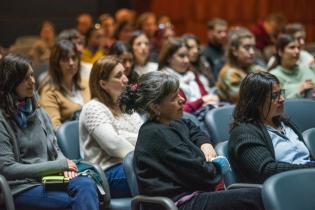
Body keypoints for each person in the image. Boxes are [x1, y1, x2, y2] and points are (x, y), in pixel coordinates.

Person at [118, 71, 264, 210]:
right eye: (174, 97)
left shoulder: (173, 121)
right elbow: (206, 176)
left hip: (195, 194)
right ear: (155, 107)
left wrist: (205, 144)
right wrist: (216, 166)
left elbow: (192, 128)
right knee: (258, 196)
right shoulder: (155, 134)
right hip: (179, 203)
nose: (183, 100)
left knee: (260, 193)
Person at [0, 53, 99, 210]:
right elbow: (7, 168)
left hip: (51, 177)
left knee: (86, 184)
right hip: (22, 186)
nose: (32, 81)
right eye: (25, 78)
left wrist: (64, 167)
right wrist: (58, 166)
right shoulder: (2, 119)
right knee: (72, 202)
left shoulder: (37, 110)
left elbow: (55, 147)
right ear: (11, 81)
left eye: (32, 75)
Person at [228, 72, 315, 184]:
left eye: (281, 93)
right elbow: (266, 170)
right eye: (275, 96)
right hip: (286, 187)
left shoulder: (285, 123)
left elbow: (307, 157)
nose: (282, 99)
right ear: (256, 101)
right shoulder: (244, 132)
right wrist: (310, 167)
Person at [79, 56, 143, 198]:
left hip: (132, 165)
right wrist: (149, 152)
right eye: (118, 76)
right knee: (164, 172)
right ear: (103, 84)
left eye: (124, 73)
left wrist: (122, 135)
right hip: (108, 173)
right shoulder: (93, 108)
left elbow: (145, 134)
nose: (126, 79)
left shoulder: (125, 106)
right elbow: (114, 145)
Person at [159, 38, 219, 116]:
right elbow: (178, 110)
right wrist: (201, 101)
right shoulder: (164, 80)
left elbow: (207, 97)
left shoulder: (191, 74)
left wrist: (205, 101)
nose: (187, 60)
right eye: (181, 56)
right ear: (168, 58)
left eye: (187, 56)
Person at [39, 39, 90, 129]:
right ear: (56, 64)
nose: (71, 63)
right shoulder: (49, 92)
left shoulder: (85, 83)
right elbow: (55, 127)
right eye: (65, 59)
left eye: (74, 58)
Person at [216, 27, 264, 103]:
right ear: (234, 51)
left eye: (253, 47)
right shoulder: (229, 73)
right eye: (246, 48)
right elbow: (244, 101)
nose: (252, 52)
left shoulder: (255, 68)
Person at [268, 34, 315, 99]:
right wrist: (299, 92)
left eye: (298, 48)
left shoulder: (305, 68)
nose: (297, 51)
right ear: (280, 51)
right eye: (292, 47)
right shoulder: (273, 76)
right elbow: (277, 104)